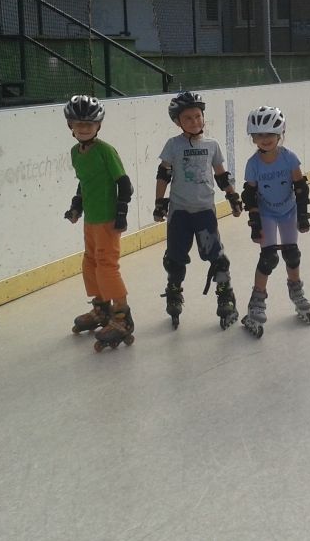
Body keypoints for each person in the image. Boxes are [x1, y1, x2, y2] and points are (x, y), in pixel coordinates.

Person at [153, 91, 243, 330]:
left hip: (204, 211)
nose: (194, 121)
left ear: (203, 117)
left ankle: (225, 294)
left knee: (216, 257)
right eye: (188, 118)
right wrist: (159, 202)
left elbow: (221, 175)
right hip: (179, 213)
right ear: (178, 122)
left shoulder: (212, 145)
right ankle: (174, 292)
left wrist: (232, 196)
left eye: (197, 116)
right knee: (175, 258)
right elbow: (163, 174)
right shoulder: (173, 145)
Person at [62, 95, 135, 352]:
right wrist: (76, 207)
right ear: (70, 126)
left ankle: (122, 315)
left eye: (89, 124)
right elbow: (83, 183)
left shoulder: (106, 151)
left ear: (98, 126)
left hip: (107, 219)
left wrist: (121, 213)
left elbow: (124, 183)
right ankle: (102, 307)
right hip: (91, 219)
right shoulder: (75, 153)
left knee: (106, 265)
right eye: (78, 124)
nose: (83, 128)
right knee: (90, 262)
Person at [239, 106, 310, 338]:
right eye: (259, 134)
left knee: (292, 254)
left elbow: (300, 188)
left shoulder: (289, 158)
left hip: (289, 211)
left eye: (270, 133)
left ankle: (296, 291)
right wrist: (255, 222)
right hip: (267, 213)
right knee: (268, 258)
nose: (265, 138)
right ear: (253, 138)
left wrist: (303, 214)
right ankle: (256, 302)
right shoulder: (253, 164)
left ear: (280, 133)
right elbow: (250, 195)